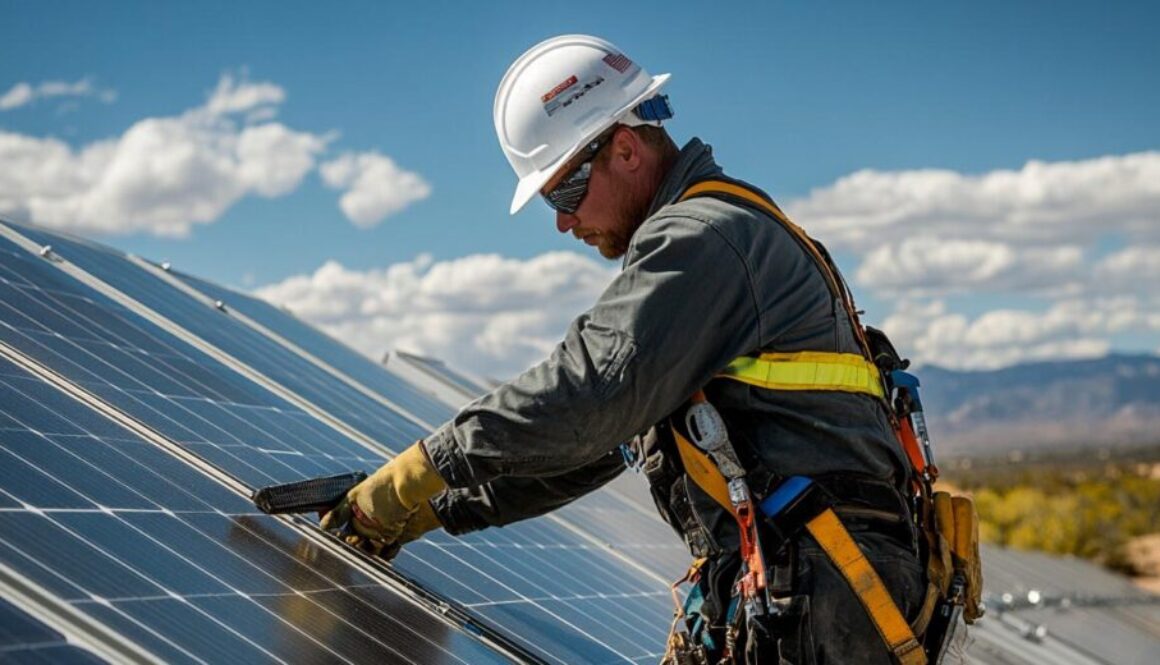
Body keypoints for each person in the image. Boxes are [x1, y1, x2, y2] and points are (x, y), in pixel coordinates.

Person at [322, 34, 929, 664]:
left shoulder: (704, 237)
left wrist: (422, 467)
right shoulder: (719, 237)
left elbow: (591, 392)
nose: (562, 222)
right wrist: (436, 509)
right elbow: (598, 446)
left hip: (825, 598)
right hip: (815, 588)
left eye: (563, 193)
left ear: (625, 149)